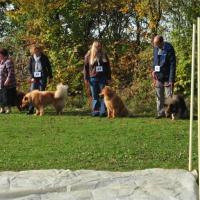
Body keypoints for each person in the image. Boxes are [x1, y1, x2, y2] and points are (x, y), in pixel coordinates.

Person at [83, 41, 111, 117]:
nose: (99, 47)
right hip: (93, 78)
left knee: (103, 95)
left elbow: (108, 67)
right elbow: (85, 68)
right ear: (93, 47)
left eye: (100, 46)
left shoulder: (104, 54)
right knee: (95, 95)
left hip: (103, 78)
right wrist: (86, 78)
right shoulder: (88, 55)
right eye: (97, 46)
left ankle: (103, 111)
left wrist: (108, 77)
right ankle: (95, 111)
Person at [152, 35, 176, 119]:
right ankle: (160, 113)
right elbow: (154, 61)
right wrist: (153, 70)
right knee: (159, 97)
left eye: (156, 44)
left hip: (167, 77)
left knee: (168, 97)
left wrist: (171, 80)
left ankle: (169, 113)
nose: (155, 46)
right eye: (154, 44)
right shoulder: (155, 48)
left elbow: (173, 65)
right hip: (158, 76)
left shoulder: (169, 48)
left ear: (161, 42)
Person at [27, 45, 53, 114]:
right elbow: (29, 68)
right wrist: (32, 77)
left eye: (37, 50)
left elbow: (49, 67)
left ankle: (40, 110)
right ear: (32, 51)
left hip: (43, 76)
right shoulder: (31, 58)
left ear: (39, 50)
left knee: (41, 93)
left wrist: (50, 77)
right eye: (34, 51)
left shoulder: (44, 57)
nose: (36, 52)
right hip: (34, 76)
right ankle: (30, 110)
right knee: (32, 93)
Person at [0, 48, 17, 113]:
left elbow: (11, 72)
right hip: (1, 83)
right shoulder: (1, 62)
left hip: (8, 84)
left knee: (7, 96)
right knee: (1, 96)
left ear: (2, 54)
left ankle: (8, 109)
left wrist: (7, 80)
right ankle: (2, 108)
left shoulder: (8, 61)